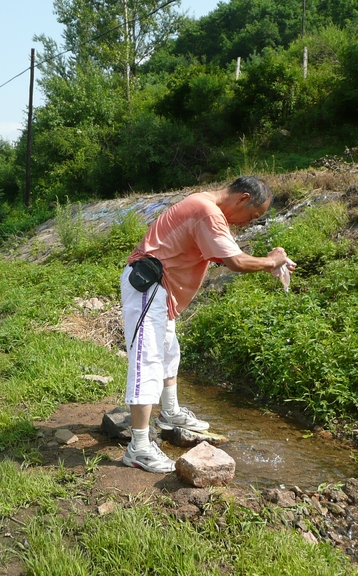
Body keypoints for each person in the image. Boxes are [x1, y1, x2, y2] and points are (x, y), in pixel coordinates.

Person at [120, 175, 295, 473]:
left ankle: (169, 414)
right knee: (146, 361)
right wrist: (272, 261)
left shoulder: (205, 208)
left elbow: (226, 254)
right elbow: (236, 262)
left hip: (160, 292)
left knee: (168, 353)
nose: (247, 223)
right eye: (251, 216)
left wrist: (271, 261)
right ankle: (138, 447)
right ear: (241, 198)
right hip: (148, 286)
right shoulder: (207, 211)